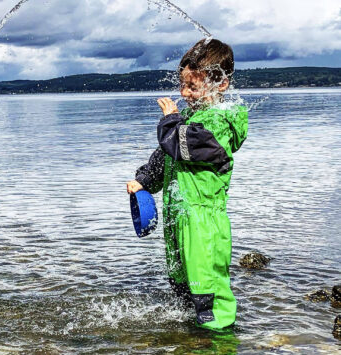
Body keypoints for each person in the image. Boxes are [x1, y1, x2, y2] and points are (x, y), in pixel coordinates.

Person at [126, 38, 248, 330]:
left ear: (220, 84)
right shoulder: (193, 119)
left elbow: (182, 145)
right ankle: (190, 338)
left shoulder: (220, 123)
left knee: (209, 294)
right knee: (182, 289)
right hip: (179, 218)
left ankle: (219, 343)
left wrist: (170, 120)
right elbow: (166, 157)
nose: (183, 93)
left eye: (192, 87)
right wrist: (143, 180)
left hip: (203, 224)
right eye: (182, 85)